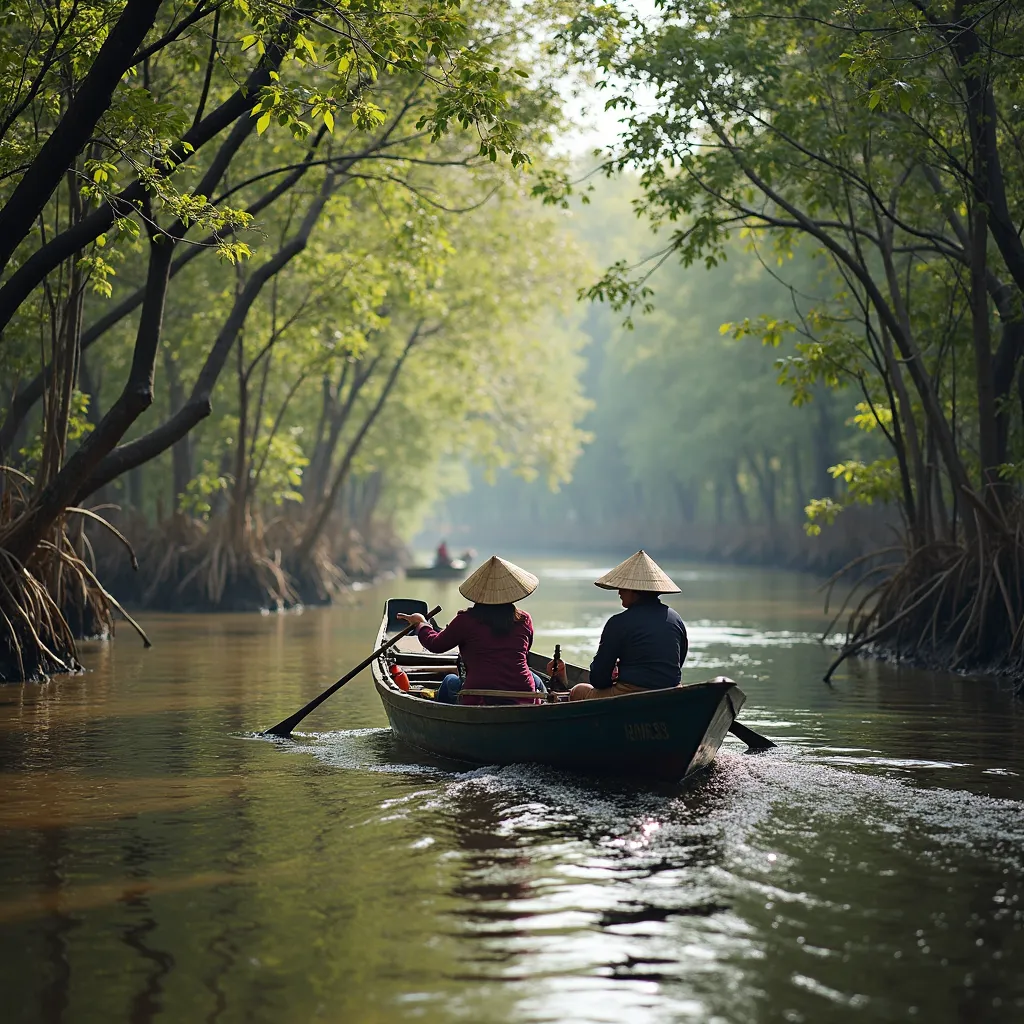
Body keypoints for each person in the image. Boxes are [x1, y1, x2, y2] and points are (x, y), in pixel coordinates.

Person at [396, 555, 543, 705]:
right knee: (535, 679)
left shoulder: (466, 620)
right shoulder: (524, 619)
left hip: (478, 698)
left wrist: (421, 624)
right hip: (524, 697)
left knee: (450, 681)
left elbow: (435, 644)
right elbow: (524, 653)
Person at [558, 550, 688, 701]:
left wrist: (615, 678)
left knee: (578, 691)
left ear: (636, 591)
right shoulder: (675, 619)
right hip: (671, 693)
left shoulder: (618, 622)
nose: (619, 592)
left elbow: (598, 679)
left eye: (623, 588)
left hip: (632, 694)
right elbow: (677, 663)